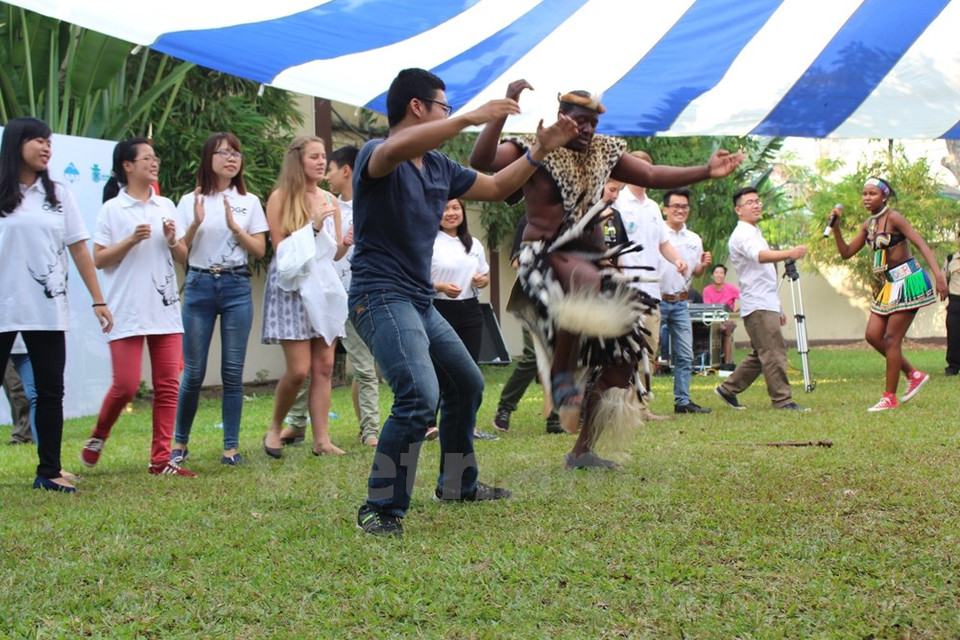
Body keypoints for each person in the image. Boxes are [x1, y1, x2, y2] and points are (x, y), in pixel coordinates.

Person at [350, 67, 579, 537]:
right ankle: (381, 506)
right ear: (418, 107)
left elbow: (495, 188)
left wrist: (539, 150)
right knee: (418, 396)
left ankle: (456, 484)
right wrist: (472, 118)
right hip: (379, 295)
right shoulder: (378, 155)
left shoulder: (438, 166)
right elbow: (394, 149)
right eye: (444, 107)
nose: (448, 115)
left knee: (466, 384)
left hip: (418, 299)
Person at [470, 82, 742, 469]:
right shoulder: (533, 145)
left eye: (593, 124)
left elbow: (650, 172)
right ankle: (563, 374)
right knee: (585, 281)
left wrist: (706, 170)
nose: (587, 130)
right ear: (562, 115)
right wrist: (500, 112)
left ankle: (582, 449)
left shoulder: (604, 151)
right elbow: (481, 160)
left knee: (623, 358)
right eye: (581, 121)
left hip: (592, 265)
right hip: (544, 260)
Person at [0, 116, 112, 492]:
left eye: (49, 141)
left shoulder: (59, 194)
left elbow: (80, 248)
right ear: (16, 144)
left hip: (46, 309)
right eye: (38, 140)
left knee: (50, 392)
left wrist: (98, 299)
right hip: (2, 307)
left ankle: (49, 471)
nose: (47, 147)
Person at [81, 138, 194, 476]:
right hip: (126, 308)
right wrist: (130, 240)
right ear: (127, 166)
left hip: (165, 309)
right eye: (146, 158)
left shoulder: (166, 204)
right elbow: (98, 259)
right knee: (126, 385)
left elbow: (184, 256)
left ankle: (161, 460)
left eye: (155, 157)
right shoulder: (112, 210)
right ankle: (99, 434)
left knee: (168, 385)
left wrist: (173, 238)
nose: (154, 162)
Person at [171, 133, 268, 466]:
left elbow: (259, 250)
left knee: (232, 372)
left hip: (236, 285)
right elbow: (181, 255)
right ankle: (179, 444)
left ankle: (231, 448)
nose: (232, 158)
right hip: (198, 283)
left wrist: (235, 228)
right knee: (194, 373)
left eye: (236, 154)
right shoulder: (188, 201)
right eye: (224, 152)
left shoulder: (249, 202)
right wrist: (196, 223)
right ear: (208, 158)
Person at [286, 145, 382, 447]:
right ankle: (296, 423)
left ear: (346, 170)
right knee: (310, 366)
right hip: (326, 295)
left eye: (329, 167)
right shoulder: (324, 204)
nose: (326, 174)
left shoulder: (374, 204)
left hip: (361, 295)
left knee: (365, 367)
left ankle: (370, 432)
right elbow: (323, 251)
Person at [261, 136, 349, 458]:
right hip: (292, 288)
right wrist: (311, 229)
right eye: (314, 156)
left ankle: (322, 441)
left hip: (323, 286)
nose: (321, 162)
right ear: (297, 159)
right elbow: (280, 249)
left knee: (324, 366)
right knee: (299, 370)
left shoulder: (330, 199)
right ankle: (275, 426)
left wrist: (346, 243)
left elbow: (335, 254)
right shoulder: (280, 197)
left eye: (323, 156)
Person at [829, 177, 947, 410]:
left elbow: (921, 244)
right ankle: (913, 374)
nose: (866, 198)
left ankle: (889, 397)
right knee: (873, 335)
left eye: (872, 193)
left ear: (884, 196)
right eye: (864, 193)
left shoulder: (894, 218)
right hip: (889, 285)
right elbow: (846, 253)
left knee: (891, 339)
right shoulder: (868, 225)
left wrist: (939, 276)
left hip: (909, 280)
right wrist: (836, 229)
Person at [714, 187, 808, 412]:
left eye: (757, 201)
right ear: (738, 210)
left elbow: (765, 274)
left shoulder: (754, 233)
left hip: (766, 302)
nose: (756, 205)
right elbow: (761, 257)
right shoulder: (743, 234)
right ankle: (782, 400)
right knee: (773, 352)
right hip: (757, 304)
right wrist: (790, 253)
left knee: (762, 353)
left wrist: (778, 307)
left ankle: (728, 389)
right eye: (749, 203)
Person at [613, 150, 686, 421]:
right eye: (636, 167)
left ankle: (642, 407)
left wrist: (677, 259)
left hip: (652, 291)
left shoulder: (654, 207)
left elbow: (663, 243)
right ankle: (622, 408)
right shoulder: (618, 202)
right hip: (627, 289)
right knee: (626, 351)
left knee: (649, 350)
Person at [430, 197, 498, 441]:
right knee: (438, 369)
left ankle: (468, 426)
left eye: (455, 208)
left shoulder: (474, 243)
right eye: (445, 208)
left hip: (470, 309)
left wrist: (482, 280)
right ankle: (430, 425)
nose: (451, 213)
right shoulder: (429, 242)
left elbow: (484, 275)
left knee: (469, 370)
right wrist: (440, 286)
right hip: (439, 309)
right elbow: (417, 280)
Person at [491, 214, 562, 435]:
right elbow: (515, 261)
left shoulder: (573, 219)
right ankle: (505, 407)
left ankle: (555, 419)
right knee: (533, 357)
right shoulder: (531, 219)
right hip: (533, 300)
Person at [658, 188, 713, 414]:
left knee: (685, 354)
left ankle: (682, 401)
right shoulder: (658, 233)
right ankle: (638, 402)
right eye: (676, 206)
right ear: (665, 209)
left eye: (684, 207)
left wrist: (702, 265)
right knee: (646, 352)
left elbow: (696, 273)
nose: (680, 210)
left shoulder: (694, 239)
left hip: (681, 302)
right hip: (656, 300)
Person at [702, 263, 740, 367]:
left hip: (727, 319)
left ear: (724, 276)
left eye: (721, 273)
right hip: (713, 320)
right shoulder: (707, 290)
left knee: (726, 328)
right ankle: (707, 362)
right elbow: (708, 308)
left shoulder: (731, 288)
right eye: (716, 273)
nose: (719, 275)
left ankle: (727, 364)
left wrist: (735, 312)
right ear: (712, 275)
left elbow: (745, 297)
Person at [4, 338, 35, 444]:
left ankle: (25, 434)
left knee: (16, 386)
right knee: (10, 384)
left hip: (17, 338)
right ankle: (23, 431)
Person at [943, 231, 960, 376]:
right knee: (954, 335)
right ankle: (953, 367)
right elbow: (944, 278)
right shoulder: (951, 259)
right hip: (955, 301)